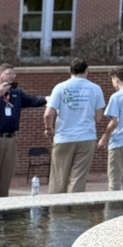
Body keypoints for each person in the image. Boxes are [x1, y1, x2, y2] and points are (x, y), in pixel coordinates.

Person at [0, 63, 47, 198]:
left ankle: (3, 206)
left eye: (14, 74)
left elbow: (33, 100)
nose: (13, 76)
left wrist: (47, 99)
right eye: (9, 74)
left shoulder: (16, 92)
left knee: (7, 175)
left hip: (10, 139)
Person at [44, 58, 105, 194]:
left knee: (58, 178)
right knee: (78, 178)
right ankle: (76, 212)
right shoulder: (95, 89)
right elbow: (98, 118)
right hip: (86, 137)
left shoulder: (60, 87)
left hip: (63, 137)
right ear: (86, 71)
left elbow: (48, 114)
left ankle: (56, 211)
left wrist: (49, 129)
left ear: (70, 71)